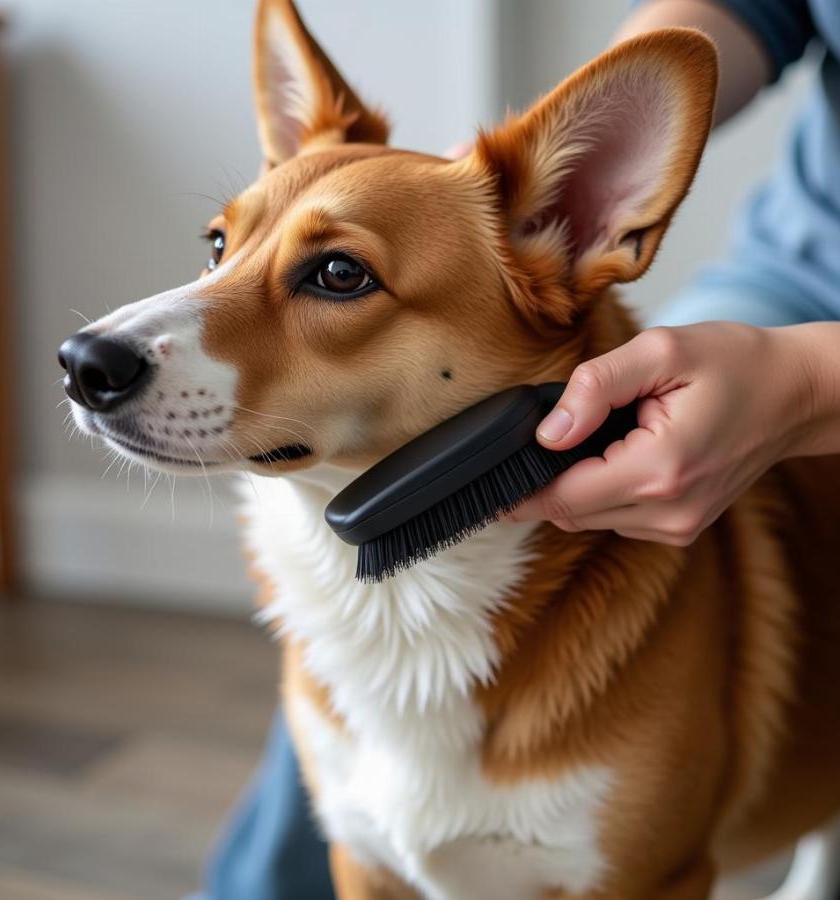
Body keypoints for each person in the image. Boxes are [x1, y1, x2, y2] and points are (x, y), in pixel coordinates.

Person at [193, 2, 840, 897]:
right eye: (220, 245)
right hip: (803, 267)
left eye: (336, 272)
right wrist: (536, 183)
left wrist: (807, 383)